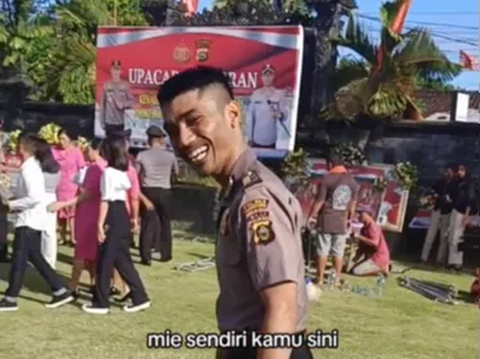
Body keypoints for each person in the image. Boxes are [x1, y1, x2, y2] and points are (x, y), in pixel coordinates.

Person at [158, 66, 312, 359]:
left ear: (232, 114)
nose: (184, 139)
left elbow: (281, 307)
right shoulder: (237, 192)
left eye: (194, 120)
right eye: (173, 129)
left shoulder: (257, 198)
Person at [0, 133, 74, 312]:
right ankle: (60, 290)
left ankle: (11, 297)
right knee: (36, 257)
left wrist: (10, 204)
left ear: (22, 149)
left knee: (19, 259)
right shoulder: (31, 166)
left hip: (29, 219)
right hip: (32, 218)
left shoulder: (29, 168)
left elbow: (34, 197)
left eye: (19, 147)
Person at [82, 136, 149, 314]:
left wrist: (99, 224)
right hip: (122, 214)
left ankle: (101, 303)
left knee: (104, 260)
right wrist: (132, 218)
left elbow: (106, 200)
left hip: (112, 213)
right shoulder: (123, 171)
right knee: (123, 260)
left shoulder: (109, 173)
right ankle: (140, 297)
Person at [49, 139, 106, 295]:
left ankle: (73, 285)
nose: (86, 153)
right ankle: (95, 282)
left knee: (81, 252)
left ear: (96, 151)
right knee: (93, 252)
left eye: (89, 150)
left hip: (88, 212)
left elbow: (87, 194)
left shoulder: (94, 169)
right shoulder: (105, 167)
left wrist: (64, 204)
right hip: (97, 211)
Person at [307, 152, 360, 287]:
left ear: (330, 164)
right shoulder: (353, 182)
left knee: (322, 250)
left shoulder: (327, 179)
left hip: (326, 220)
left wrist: (312, 216)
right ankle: (336, 279)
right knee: (338, 251)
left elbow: (320, 201)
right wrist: (350, 218)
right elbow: (353, 203)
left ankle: (319, 279)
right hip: (342, 222)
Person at [136, 125, 178, 264]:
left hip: (148, 190)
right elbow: (176, 173)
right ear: (160, 140)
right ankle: (166, 254)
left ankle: (145, 256)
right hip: (165, 189)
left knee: (147, 223)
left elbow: (137, 173)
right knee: (165, 222)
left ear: (149, 140)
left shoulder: (142, 155)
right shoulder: (170, 156)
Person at [52, 128, 86, 246]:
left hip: (73, 186)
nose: (61, 141)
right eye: (60, 138)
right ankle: (62, 236)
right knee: (60, 213)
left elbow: (82, 168)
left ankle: (73, 237)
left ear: (70, 140)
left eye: (64, 139)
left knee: (72, 214)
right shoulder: (54, 151)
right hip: (59, 184)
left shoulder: (76, 152)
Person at [420, 164, 456, 265]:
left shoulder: (455, 184)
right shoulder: (440, 182)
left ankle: (439, 260)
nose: (447, 174)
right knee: (430, 234)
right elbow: (432, 191)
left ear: (453, 173)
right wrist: (434, 195)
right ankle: (424, 257)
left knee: (443, 237)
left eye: (449, 172)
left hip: (447, 212)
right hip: (437, 209)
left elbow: (454, 199)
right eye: (445, 172)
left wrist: (449, 200)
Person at [247, 64, 289, 148]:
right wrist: (249, 137)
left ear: (273, 77)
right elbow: (250, 118)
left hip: (271, 140)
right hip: (256, 140)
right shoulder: (256, 94)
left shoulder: (279, 94)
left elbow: (285, 114)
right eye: (265, 75)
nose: (267, 78)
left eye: (270, 75)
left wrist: (280, 115)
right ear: (261, 77)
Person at [35, 138, 61, 269]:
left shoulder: (37, 165)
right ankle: (50, 260)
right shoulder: (56, 166)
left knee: (36, 229)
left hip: (40, 196)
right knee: (49, 232)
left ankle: (38, 259)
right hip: (52, 196)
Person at [350, 205, 390, 276]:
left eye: (361, 213)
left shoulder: (373, 226)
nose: (358, 216)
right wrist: (356, 258)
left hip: (378, 257)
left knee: (356, 271)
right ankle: (380, 267)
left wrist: (359, 236)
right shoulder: (364, 228)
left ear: (367, 214)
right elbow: (362, 247)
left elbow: (374, 243)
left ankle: (382, 270)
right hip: (370, 256)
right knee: (351, 269)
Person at [447, 164, 474, 271]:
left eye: (462, 170)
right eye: (459, 170)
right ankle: (451, 261)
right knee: (451, 237)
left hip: (462, 212)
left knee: (457, 238)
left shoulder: (469, 184)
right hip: (455, 210)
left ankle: (457, 262)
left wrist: (467, 215)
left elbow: (470, 200)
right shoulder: (457, 182)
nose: (460, 172)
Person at [100, 60, 135, 136]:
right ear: (111, 71)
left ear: (121, 71)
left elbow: (132, 102)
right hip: (108, 122)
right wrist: (102, 121)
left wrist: (123, 104)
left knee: (119, 144)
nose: (115, 72)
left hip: (119, 122)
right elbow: (102, 105)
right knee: (109, 145)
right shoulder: (106, 85)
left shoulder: (125, 85)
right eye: (114, 69)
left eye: (117, 69)